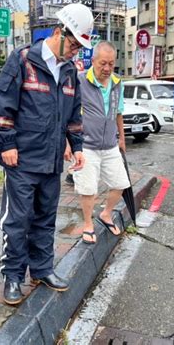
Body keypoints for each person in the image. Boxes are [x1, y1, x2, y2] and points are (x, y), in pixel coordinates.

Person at [0, 3, 93, 305]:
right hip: (20, 160)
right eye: (73, 44)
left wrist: (78, 146)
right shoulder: (23, 60)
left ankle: (42, 269)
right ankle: (12, 276)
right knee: (18, 219)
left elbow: (74, 116)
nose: (75, 51)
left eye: (79, 47)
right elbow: (1, 107)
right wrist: (7, 143)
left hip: (51, 161)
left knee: (45, 218)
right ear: (60, 32)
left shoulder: (71, 72)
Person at [72, 41, 131, 244]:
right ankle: (88, 224)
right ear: (93, 61)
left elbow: (119, 112)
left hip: (110, 145)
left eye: (111, 64)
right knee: (88, 189)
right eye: (102, 63)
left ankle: (106, 214)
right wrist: (67, 143)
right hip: (86, 145)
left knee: (121, 183)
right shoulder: (79, 81)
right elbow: (67, 114)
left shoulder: (117, 82)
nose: (107, 69)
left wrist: (121, 138)